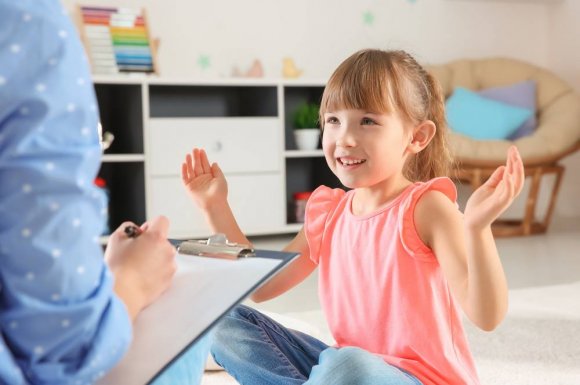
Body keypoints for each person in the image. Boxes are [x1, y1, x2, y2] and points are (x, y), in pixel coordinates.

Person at [181, 49, 525, 385]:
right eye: (333, 120)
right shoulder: (328, 212)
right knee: (223, 323)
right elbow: (262, 287)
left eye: (368, 121)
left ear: (417, 137)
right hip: (341, 368)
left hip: (413, 378)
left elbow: (487, 316)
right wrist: (216, 206)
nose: (344, 138)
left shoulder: (427, 207)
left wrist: (478, 228)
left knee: (349, 365)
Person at [0, 1, 208, 384]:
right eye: (331, 121)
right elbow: (62, 352)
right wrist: (131, 280)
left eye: (360, 120)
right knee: (190, 315)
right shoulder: (30, 26)